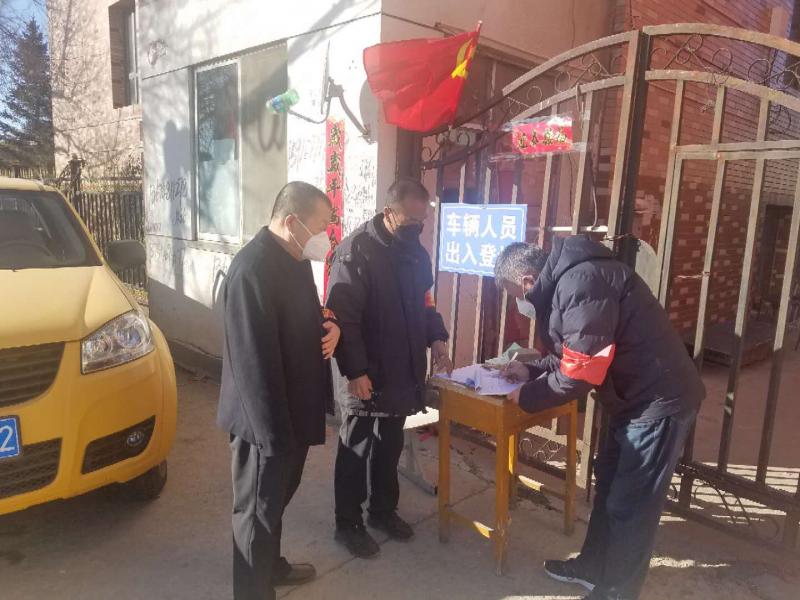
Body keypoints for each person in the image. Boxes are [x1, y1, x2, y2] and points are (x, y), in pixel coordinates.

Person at [493, 236, 705, 600]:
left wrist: (526, 396)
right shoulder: (570, 283)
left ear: (527, 280)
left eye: (515, 295)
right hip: (629, 398)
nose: (519, 304)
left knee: (631, 504)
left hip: (657, 401)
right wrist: (531, 371)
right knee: (608, 487)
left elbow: (580, 373)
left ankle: (618, 591)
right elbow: (573, 353)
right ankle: (592, 567)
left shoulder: (581, 282)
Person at [217, 181, 340, 600]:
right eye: (321, 226)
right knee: (255, 512)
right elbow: (250, 363)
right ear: (292, 222)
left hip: (293, 412)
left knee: (275, 502)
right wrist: (271, 438)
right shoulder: (251, 271)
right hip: (263, 423)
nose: (325, 236)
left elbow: (307, 315)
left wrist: (331, 327)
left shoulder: (295, 259)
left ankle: (272, 566)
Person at [326, 178, 452, 558]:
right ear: (388, 213)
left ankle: (383, 510)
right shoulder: (356, 252)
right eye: (410, 221)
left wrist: (437, 336)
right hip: (365, 371)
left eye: (422, 221)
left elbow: (425, 301)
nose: (417, 228)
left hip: (402, 369)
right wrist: (355, 371)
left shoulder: (416, 253)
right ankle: (348, 522)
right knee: (356, 447)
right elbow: (343, 317)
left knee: (390, 444)